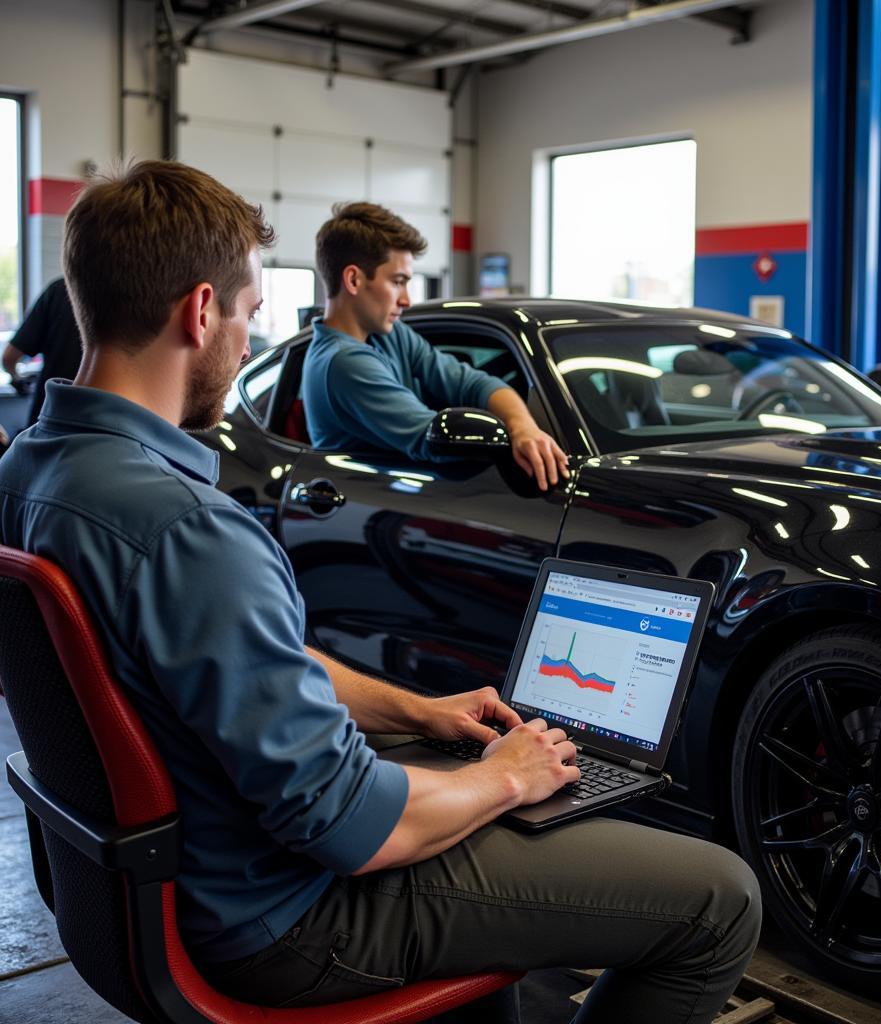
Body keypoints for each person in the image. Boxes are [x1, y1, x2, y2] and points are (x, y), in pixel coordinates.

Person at [0, 161, 760, 1022]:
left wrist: (418, 714)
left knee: (463, 775)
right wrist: (505, 780)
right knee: (719, 897)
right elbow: (352, 826)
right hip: (281, 919)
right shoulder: (189, 530)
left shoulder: (27, 470)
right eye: (250, 314)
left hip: (157, 881)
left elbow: (246, 669)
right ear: (201, 311)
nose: (251, 343)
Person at [302, 202, 570, 491]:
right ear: (353, 279)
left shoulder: (390, 335)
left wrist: (523, 427)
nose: (406, 300)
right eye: (398, 282)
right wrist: (512, 436)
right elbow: (433, 439)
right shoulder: (343, 362)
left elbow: (472, 382)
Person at [2, 276, 83, 429]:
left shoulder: (60, 289)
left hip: (50, 417)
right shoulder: (129, 295)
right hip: (103, 423)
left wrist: (16, 379)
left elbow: (9, 358)